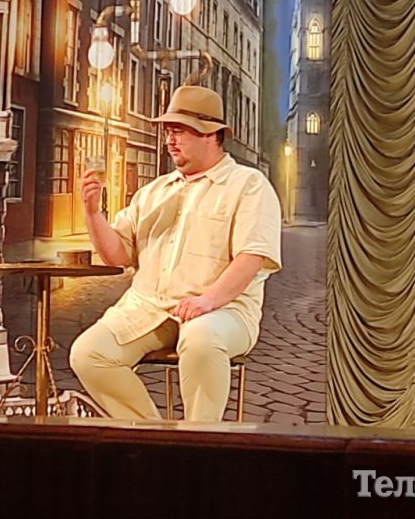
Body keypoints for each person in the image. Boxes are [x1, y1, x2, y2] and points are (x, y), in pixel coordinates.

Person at [69, 85, 282, 421]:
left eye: (179, 131)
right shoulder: (153, 191)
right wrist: (93, 213)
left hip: (224, 311)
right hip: (150, 308)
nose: (170, 140)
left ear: (210, 134)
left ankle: (198, 439)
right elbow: (117, 256)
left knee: (201, 338)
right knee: (88, 353)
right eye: (168, 131)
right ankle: (154, 437)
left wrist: (207, 301)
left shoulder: (247, 185)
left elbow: (251, 257)